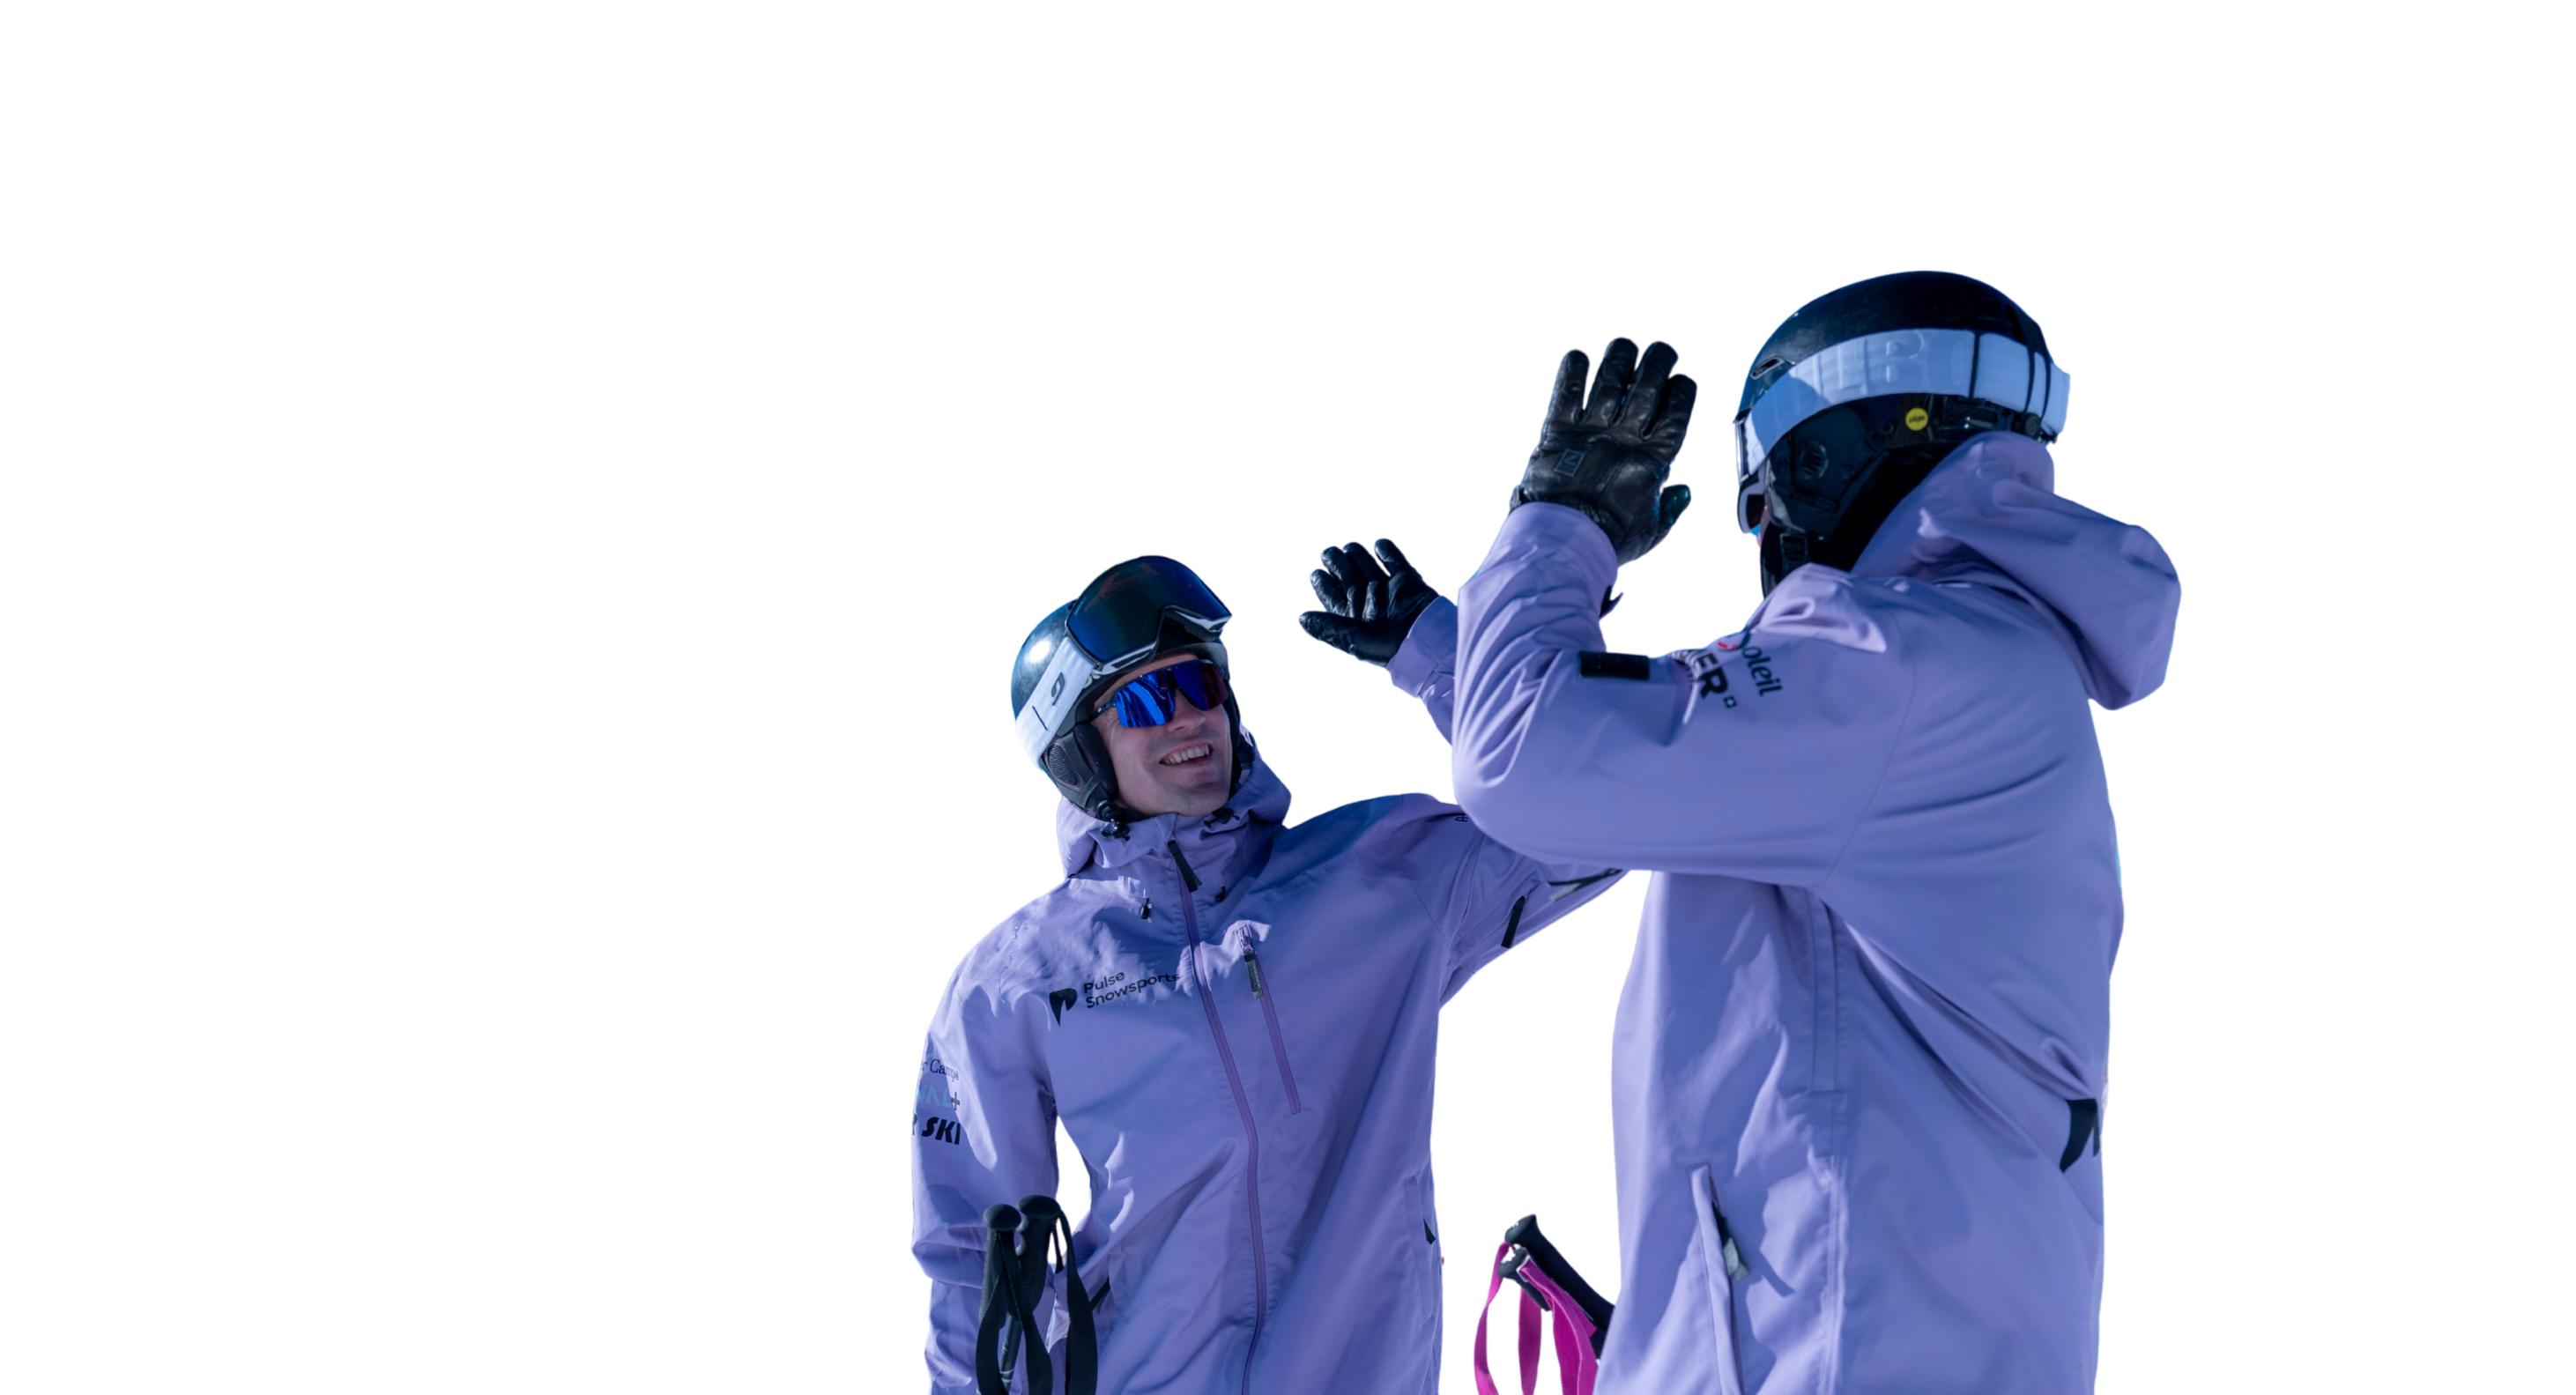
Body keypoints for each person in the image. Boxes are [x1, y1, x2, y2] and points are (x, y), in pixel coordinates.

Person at [1429, 275, 2182, 1394]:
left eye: (1763, 480)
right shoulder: (1975, 671)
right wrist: (1438, 653)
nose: (1763, 525)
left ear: (1823, 455)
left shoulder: (1896, 660)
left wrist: (1559, 519)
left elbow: (1526, 757)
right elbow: (1611, 796)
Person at [910, 553, 1625, 1392]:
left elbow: (1597, 818)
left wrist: (1439, 651)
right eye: (1144, 701)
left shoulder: (1376, 871)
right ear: (1076, 752)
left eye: (1201, 688)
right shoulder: (1016, 976)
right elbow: (970, 1252)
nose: (1188, 720)